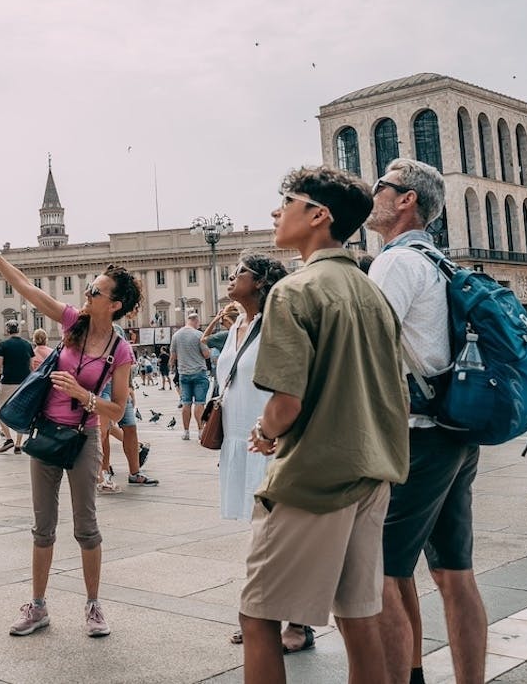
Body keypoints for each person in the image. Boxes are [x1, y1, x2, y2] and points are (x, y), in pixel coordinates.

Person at [240, 166, 409, 684]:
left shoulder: (295, 290)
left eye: (286, 200)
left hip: (314, 478)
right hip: (372, 472)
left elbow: (287, 401)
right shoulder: (370, 290)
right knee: (359, 617)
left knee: (258, 614)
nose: (276, 211)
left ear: (319, 215)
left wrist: (266, 434)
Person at [0, 225, 139, 639]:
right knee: (43, 526)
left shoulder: (120, 350)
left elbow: (119, 407)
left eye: (95, 291)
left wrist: (82, 394)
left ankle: (93, 605)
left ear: (113, 304)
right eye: (89, 288)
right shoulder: (72, 323)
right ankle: (38, 606)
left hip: (84, 437)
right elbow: (26, 288)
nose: (87, 294)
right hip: (45, 434)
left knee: (86, 526)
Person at [366, 159, 488, 684]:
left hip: (417, 436)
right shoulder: (438, 261)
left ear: (406, 200)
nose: (373, 196)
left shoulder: (394, 262)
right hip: (456, 432)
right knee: (453, 573)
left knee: (380, 574)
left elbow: (367, 348)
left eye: (380, 188)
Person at [213, 254, 301, 649]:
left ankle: (295, 624)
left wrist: (279, 430)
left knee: (277, 535)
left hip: (269, 439)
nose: (232, 278)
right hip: (239, 439)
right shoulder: (238, 325)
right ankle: (263, 615)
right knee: (261, 534)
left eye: (240, 273)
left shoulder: (276, 323)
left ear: (262, 281)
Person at [0, 319, 35, 454]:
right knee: (20, 412)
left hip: (8, 382)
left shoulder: (3, 345)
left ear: (7, 330)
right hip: (24, 383)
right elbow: (32, 366)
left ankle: (8, 439)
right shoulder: (27, 345)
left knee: (0, 410)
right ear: (18, 330)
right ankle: (18, 444)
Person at [170, 310, 210, 439]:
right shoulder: (199, 335)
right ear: (196, 321)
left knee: (186, 403)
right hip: (199, 372)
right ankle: (200, 431)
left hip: (184, 374)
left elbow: (173, 357)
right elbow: (206, 354)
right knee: (200, 403)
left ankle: (186, 432)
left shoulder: (176, 336)